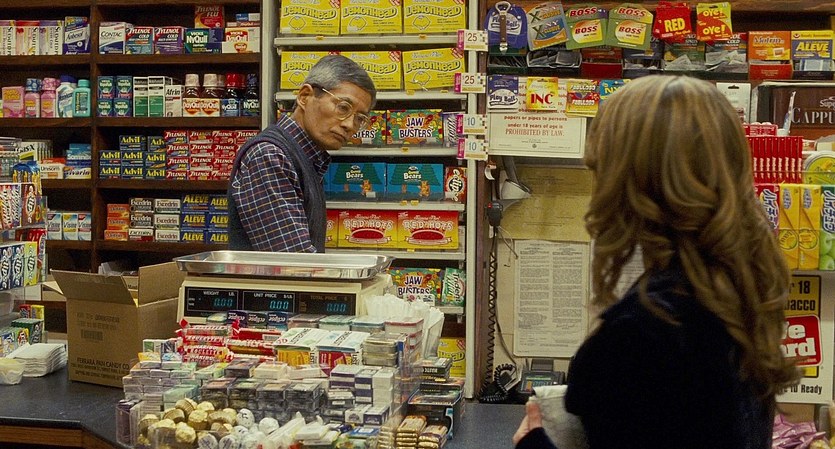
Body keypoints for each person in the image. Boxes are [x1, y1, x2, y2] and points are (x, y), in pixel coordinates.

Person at [513, 76, 798, 449]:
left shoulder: (642, 331)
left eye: (600, 168)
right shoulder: (736, 292)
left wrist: (533, 442)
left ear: (628, 182)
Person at [228, 55, 376, 252]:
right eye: (343, 107)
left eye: (360, 119)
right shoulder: (271, 155)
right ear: (305, 96)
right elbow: (292, 261)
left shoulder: (307, 157)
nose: (350, 125)